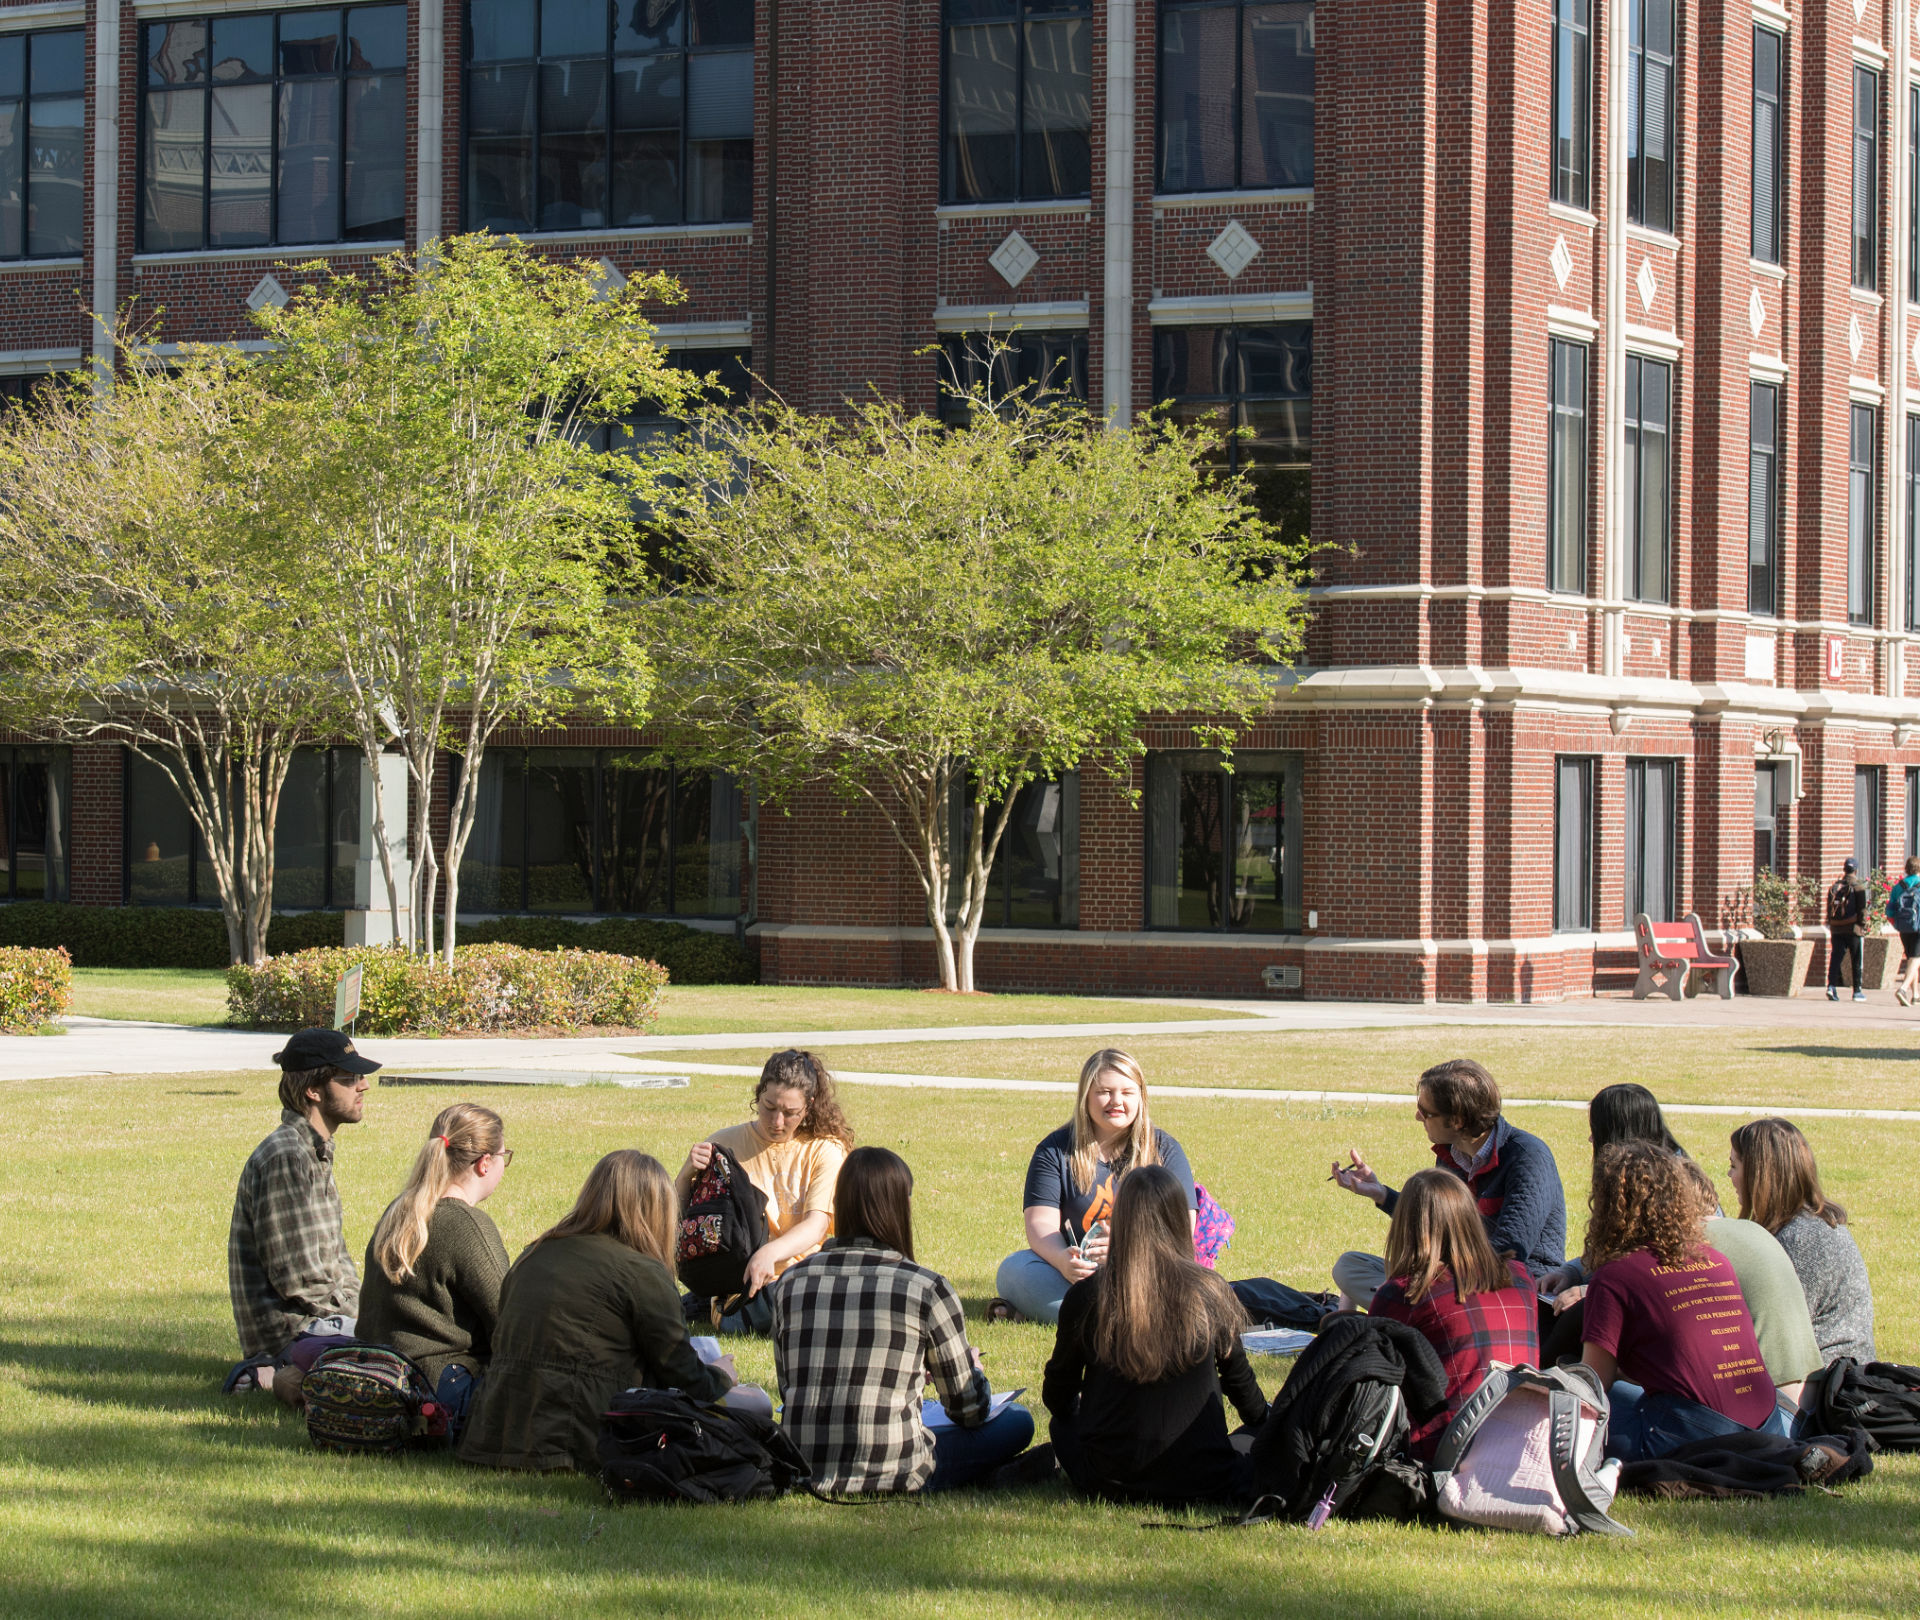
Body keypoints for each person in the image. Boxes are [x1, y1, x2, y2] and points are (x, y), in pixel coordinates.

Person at [771, 1146, 1033, 1493]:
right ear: (902, 1206)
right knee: (1018, 1422)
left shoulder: (790, 1283)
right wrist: (974, 1372)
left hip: (803, 1463)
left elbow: (791, 1385)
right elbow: (968, 1409)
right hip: (895, 1469)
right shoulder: (926, 1287)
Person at [459, 1150, 737, 1472]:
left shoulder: (533, 1254)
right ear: (658, 1210)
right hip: (578, 1437)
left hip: (494, 1434)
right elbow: (683, 1373)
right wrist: (721, 1376)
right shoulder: (641, 1271)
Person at [1043, 1165, 1268, 1508]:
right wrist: (1267, 1424)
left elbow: (1057, 1397)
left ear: (1121, 1222)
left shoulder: (1088, 1296)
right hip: (1203, 1479)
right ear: (1181, 1221)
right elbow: (1242, 1387)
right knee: (1249, 1439)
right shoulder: (1210, 1292)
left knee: (1062, 1427)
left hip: (1106, 1479)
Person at [1579, 1142, 1787, 1461]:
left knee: (1567, 1411)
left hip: (1696, 1437)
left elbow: (1591, 1386)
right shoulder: (1716, 1261)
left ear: (1609, 1207)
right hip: (1768, 1430)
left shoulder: (1615, 1277)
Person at [1329, 1058, 1565, 1308]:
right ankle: (1409, 1310)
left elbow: (1508, 1254)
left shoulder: (1526, 1157)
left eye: (1426, 1111)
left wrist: (1428, 1283)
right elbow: (1432, 1223)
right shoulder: (1451, 1155)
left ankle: (1405, 1310)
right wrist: (1380, 1194)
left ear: (1458, 1120)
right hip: (1453, 1279)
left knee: (1399, 1295)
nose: (1418, 1117)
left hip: (1509, 1290)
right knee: (1350, 1266)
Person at [225, 1027, 379, 1404]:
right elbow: (301, 1278)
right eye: (349, 1078)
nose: (363, 1087)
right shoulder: (288, 1157)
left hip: (324, 1323)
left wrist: (367, 1313)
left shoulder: (314, 1151)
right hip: (296, 1336)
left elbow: (337, 1262)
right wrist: (368, 1326)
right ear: (314, 1090)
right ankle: (269, 1373)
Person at [994, 1049, 1197, 1326]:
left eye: (1127, 1092)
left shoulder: (1164, 1150)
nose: (1116, 1101)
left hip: (1147, 1274)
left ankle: (1086, 1319)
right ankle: (1123, 1322)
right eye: (1105, 1091)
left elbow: (1182, 1229)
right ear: (1086, 1096)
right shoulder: (1055, 1150)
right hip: (1079, 1278)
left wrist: (1125, 1248)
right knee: (1013, 1270)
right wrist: (1063, 1260)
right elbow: (1040, 1223)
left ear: (1141, 1096)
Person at [356, 1103, 513, 1437]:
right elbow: (510, 1321)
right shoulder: (465, 1224)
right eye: (504, 1156)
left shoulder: (398, 1211)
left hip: (378, 1376)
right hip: (442, 1387)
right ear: (485, 1164)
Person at [1366, 1168, 1539, 1459]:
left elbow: (1369, 1380)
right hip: (1521, 1442)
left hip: (1445, 1449)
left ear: (1406, 1226)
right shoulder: (1521, 1276)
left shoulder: (1406, 1292)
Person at [675, 1049, 854, 1330]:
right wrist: (686, 1174)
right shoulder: (724, 1144)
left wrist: (769, 1254)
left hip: (803, 1277)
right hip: (742, 1285)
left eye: (790, 1112)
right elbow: (680, 1218)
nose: (777, 1121)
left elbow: (817, 1225)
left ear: (810, 1105)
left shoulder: (825, 1150)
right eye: (769, 1107)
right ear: (758, 1094)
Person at [1731, 1118, 1876, 1365]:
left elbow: (1776, 1335)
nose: (1729, 1175)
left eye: (1734, 1166)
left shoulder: (1803, 1239)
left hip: (1825, 1385)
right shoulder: (1804, 1224)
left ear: (1758, 1174)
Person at [1825, 856, 1868, 1001]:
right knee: (1856, 959)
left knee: (1836, 957)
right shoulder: (1858, 887)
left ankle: (1831, 986)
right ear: (1855, 870)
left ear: (1844, 869)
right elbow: (1862, 910)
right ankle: (1857, 991)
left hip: (1837, 928)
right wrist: (1863, 925)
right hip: (1853, 929)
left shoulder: (1835, 886)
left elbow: (1828, 909)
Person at [1891, 856, 1920, 1006]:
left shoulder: (1898, 887)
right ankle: (1902, 989)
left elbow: (1889, 911)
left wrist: (1897, 924)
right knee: (1916, 959)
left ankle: (1915, 995)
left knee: (1911, 958)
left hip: (1904, 928)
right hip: (1918, 926)